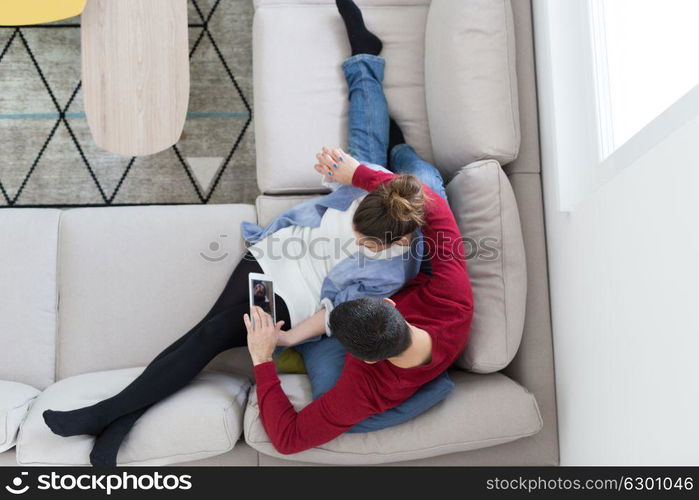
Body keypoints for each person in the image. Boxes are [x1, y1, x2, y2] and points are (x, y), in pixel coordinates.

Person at [39, 1, 438, 467]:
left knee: (208, 335)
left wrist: (287, 342)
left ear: (395, 243)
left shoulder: (391, 270)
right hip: (270, 258)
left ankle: (107, 417)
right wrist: (340, 172)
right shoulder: (368, 194)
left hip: (292, 298)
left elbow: (338, 313)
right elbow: (342, 186)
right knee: (204, 333)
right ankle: (115, 422)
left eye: (366, 242)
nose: (355, 238)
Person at [240, 0, 474, 455]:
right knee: (416, 179)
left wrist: (266, 357)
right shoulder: (453, 300)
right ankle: (399, 147)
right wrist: (358, 175)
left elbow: (288, 440)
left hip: (397, 253)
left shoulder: (366, 387)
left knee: (387, 168)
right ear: (390, 306)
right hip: (415, 249)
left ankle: (380, 103)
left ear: (363, 358)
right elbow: (430, 208)